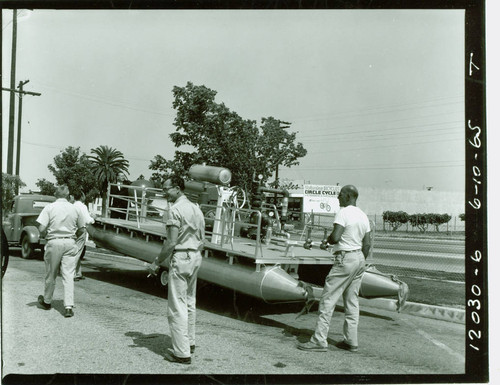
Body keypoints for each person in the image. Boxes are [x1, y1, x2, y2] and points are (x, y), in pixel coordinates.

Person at [298, 185, 371, 353]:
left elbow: (336, 236)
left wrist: (329, 241)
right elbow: (367, 244)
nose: (338, 198)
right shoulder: (363, 215)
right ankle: (351, 341)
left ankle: (319, 340)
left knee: (327, 299)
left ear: (347, 196)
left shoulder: (343, 212)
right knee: (352, 302)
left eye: (340, 195)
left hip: (345, 258)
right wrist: (358, 260)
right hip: (359, 258)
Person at [147, 175, 205, 365]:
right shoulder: (196, 209)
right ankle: (190, 342)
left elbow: (171, 242)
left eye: (166, 189)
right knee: (189, 301)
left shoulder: (175, 210)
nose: (164, 192)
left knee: (177, 306)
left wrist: (156, 262)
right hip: (195, 256)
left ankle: (182, 353)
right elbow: (203, 238)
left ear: (178, 188)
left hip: (181, 257)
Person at [36, 185, 86, 318]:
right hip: (70, 242)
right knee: (68, 275)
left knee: (51, 273)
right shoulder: (75, 208)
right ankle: (68, 306)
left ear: (55, 195)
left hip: (54, 242)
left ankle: (47, 301)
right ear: (68, 195)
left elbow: (41, 229)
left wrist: (48, 232)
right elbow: (82, 228)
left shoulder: (49, 208)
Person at [72, 190, 95, 281]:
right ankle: (72, 273)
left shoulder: (72, 206)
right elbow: (87, 219)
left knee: (76, 250)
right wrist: (94, 218)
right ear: (82, 197)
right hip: (81, 229)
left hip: (73, 229)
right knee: (77, 252)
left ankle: (78, 273)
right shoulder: (83, 206)